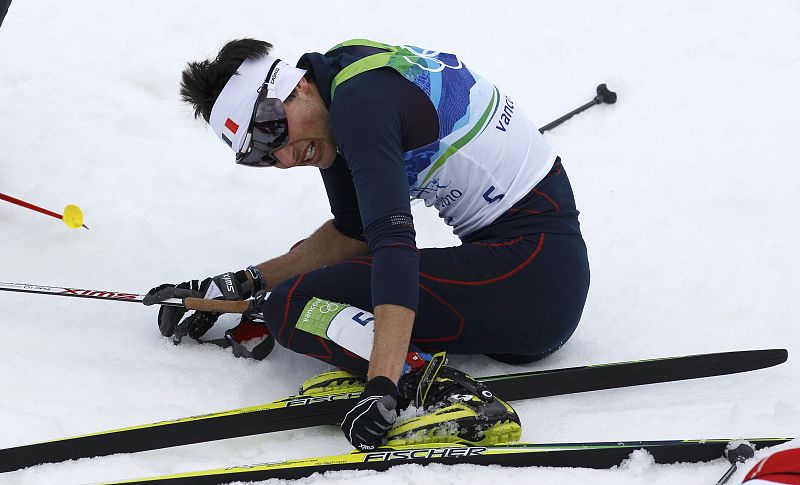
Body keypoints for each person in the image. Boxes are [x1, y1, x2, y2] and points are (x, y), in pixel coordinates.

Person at [145, 38, 590, 450]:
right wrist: (242, 282)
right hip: (537, 273)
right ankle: (381, 354)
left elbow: (393, 248)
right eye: (257, 154)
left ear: (296, 86)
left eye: (270, 130)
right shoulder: (336, 87)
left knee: (290, 307)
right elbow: (353, 234)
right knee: (291, 299)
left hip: (534, 284)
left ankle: (436, 387)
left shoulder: (360, 107)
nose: (280, 156)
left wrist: (382, 382)